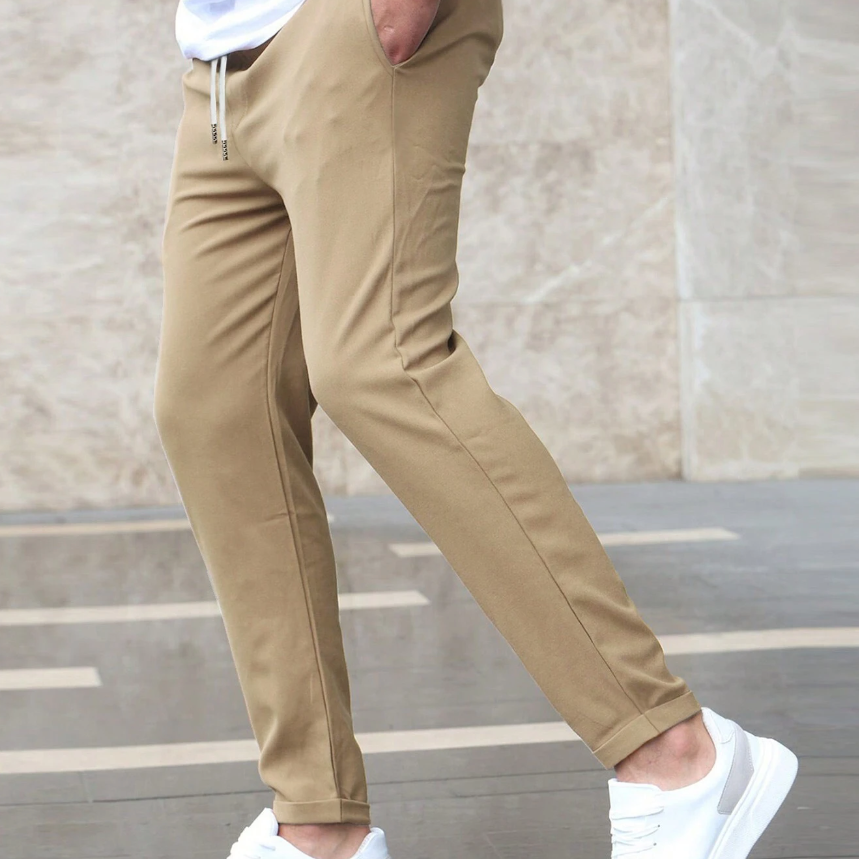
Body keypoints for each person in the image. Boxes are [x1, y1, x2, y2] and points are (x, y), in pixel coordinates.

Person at [153, 0, 798, 856]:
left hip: (346, 27)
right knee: (212, 409)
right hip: (219, 68)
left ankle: (675, 753)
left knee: (383, 362)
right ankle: (317, 823)